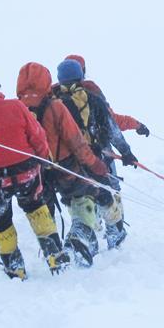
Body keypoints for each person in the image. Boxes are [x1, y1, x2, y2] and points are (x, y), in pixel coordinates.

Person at [0, 68, 69, 278]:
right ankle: (55, 256)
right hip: (26, 172)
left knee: (0, 222)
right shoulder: (16, 106)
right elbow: (37, 135)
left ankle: (15, 267)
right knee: (36, 209)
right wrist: (43, 158)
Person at [16, 62, 114, 266]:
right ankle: (79, 239)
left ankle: (54, 253)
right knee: (83, 199)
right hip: (65, 167)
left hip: (36, 171)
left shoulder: (17, 109)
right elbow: (76, 141)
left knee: (45, 210)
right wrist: (95, 165)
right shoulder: (55, 106)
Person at [53, 58, 137, 252]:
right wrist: (126, 152)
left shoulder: (53, 104)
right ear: (81, 76)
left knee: (79, 198)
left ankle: (87, 237)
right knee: (108, 192)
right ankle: (115, 234)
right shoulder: (93, 99)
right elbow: (112, 129)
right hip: (96, 157)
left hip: (68, 162)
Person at [61, 54, 149, 136]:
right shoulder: (91, 90)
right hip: (89, 144)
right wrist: (137, 125)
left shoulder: (55, 92)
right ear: (82, 71)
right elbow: (111, 120)